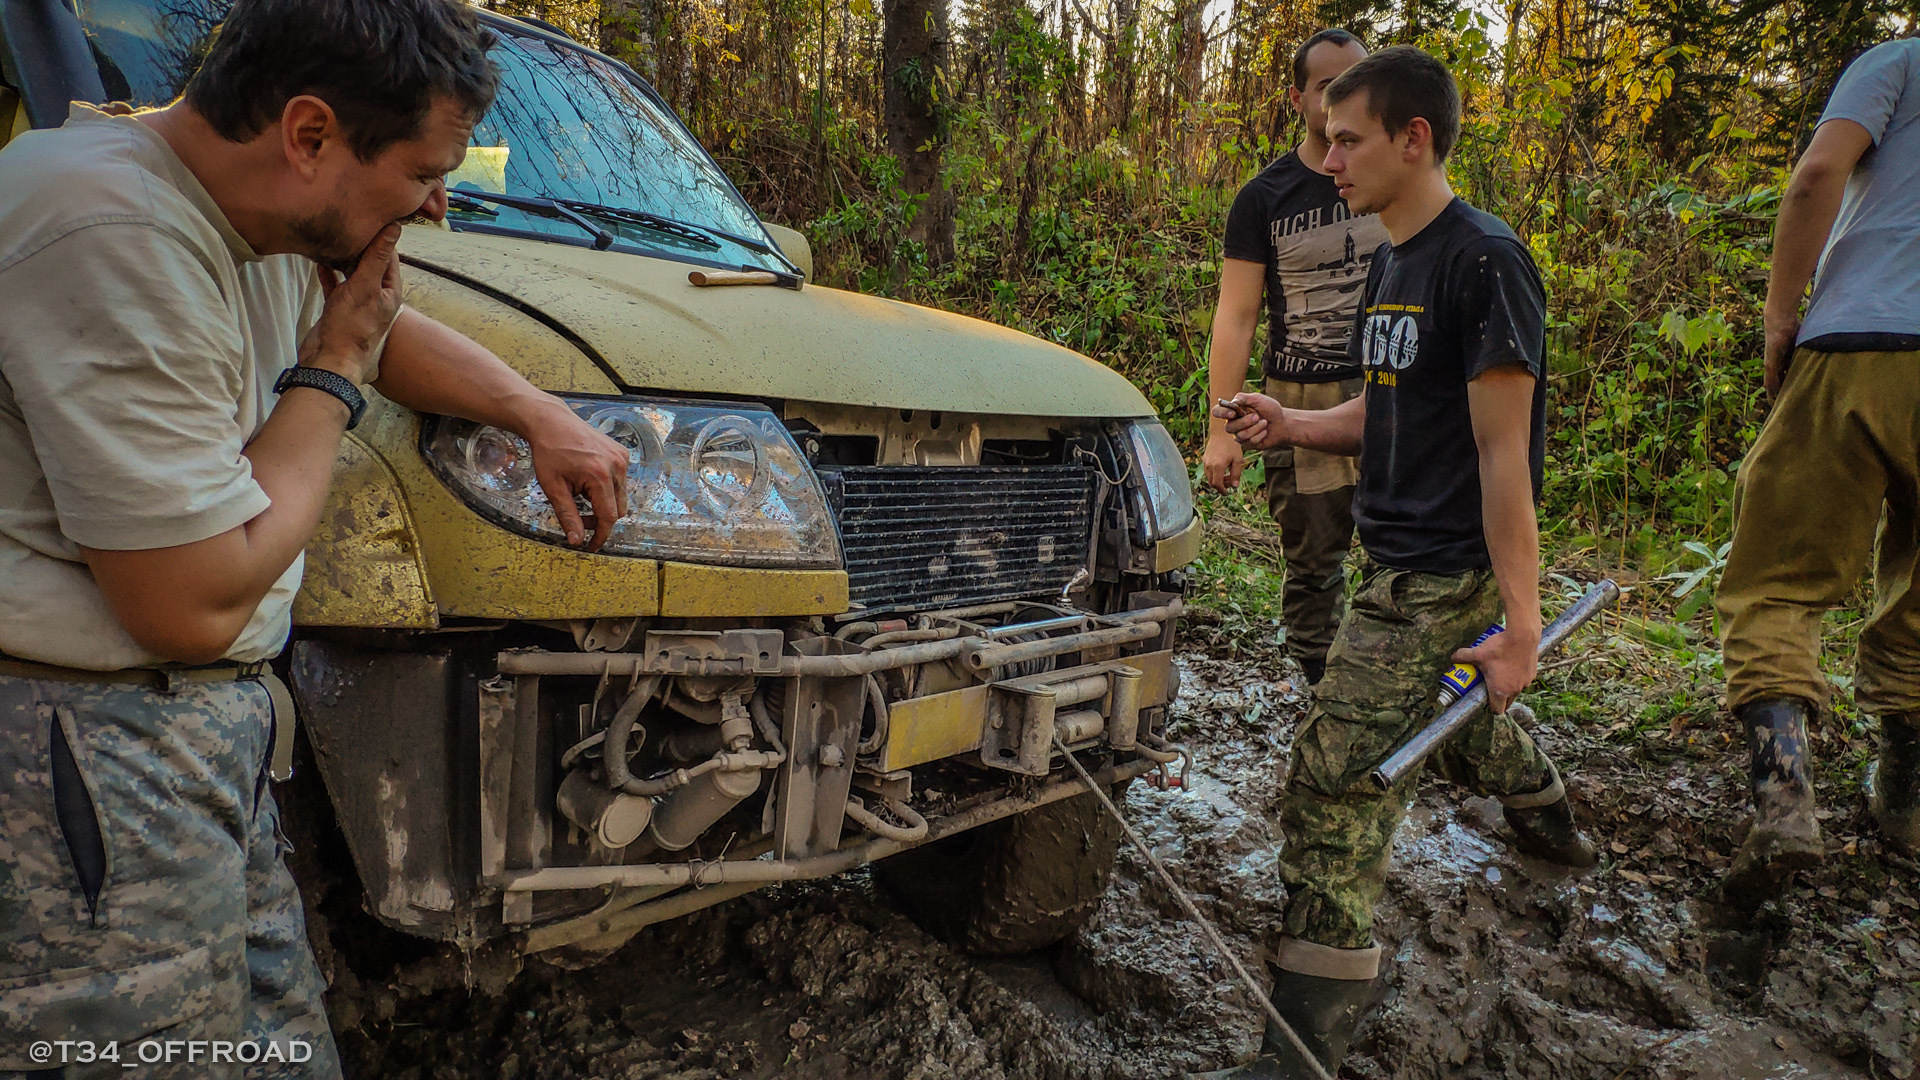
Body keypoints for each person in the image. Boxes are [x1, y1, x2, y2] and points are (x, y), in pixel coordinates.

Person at [0, 1, 633, 1076]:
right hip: (87, 746)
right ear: (308, 135)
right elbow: (192, 604)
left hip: (196, 743)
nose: (436, 205)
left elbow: (376, 323)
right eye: (423, 173)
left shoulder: (241, 209)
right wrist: (330, 373)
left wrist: (540, 414)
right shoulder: (107, 228)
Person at [1197, 46, 1598, 1080]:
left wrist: (1518, 628)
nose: (1329, 159)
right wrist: (1292, 422)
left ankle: (1297, 1054)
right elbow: (1385, 410)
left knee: (1333, 785)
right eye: (1327, 139)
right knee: (1447, 732)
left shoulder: (1483, 261)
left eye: (1348, 139)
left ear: (1412, 139)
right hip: (1397, 563)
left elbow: (1504, 453)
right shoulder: (1393, 259)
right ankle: (1550, 818)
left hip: (1441, 574)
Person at [1715, 38, 1920, 903]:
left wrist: (1778, 315)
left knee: (1778, 582)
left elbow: (1815, 176)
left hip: (1862, 342)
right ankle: (1905, 804)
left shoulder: (1901, 60)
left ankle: (1786, 799)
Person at [1202, 28, 1388, 687]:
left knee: (1403, 551)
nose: (1342, 98)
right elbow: (1237, 315)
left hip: (1389, 389)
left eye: (1356, 83)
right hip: (1301, 396)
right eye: (1327, 87)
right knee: (1313, 558)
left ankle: (1386, 678)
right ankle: (1318, 683)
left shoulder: (1391, 179)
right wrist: (1221, 429)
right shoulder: (1265, 197)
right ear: (1296, 98)